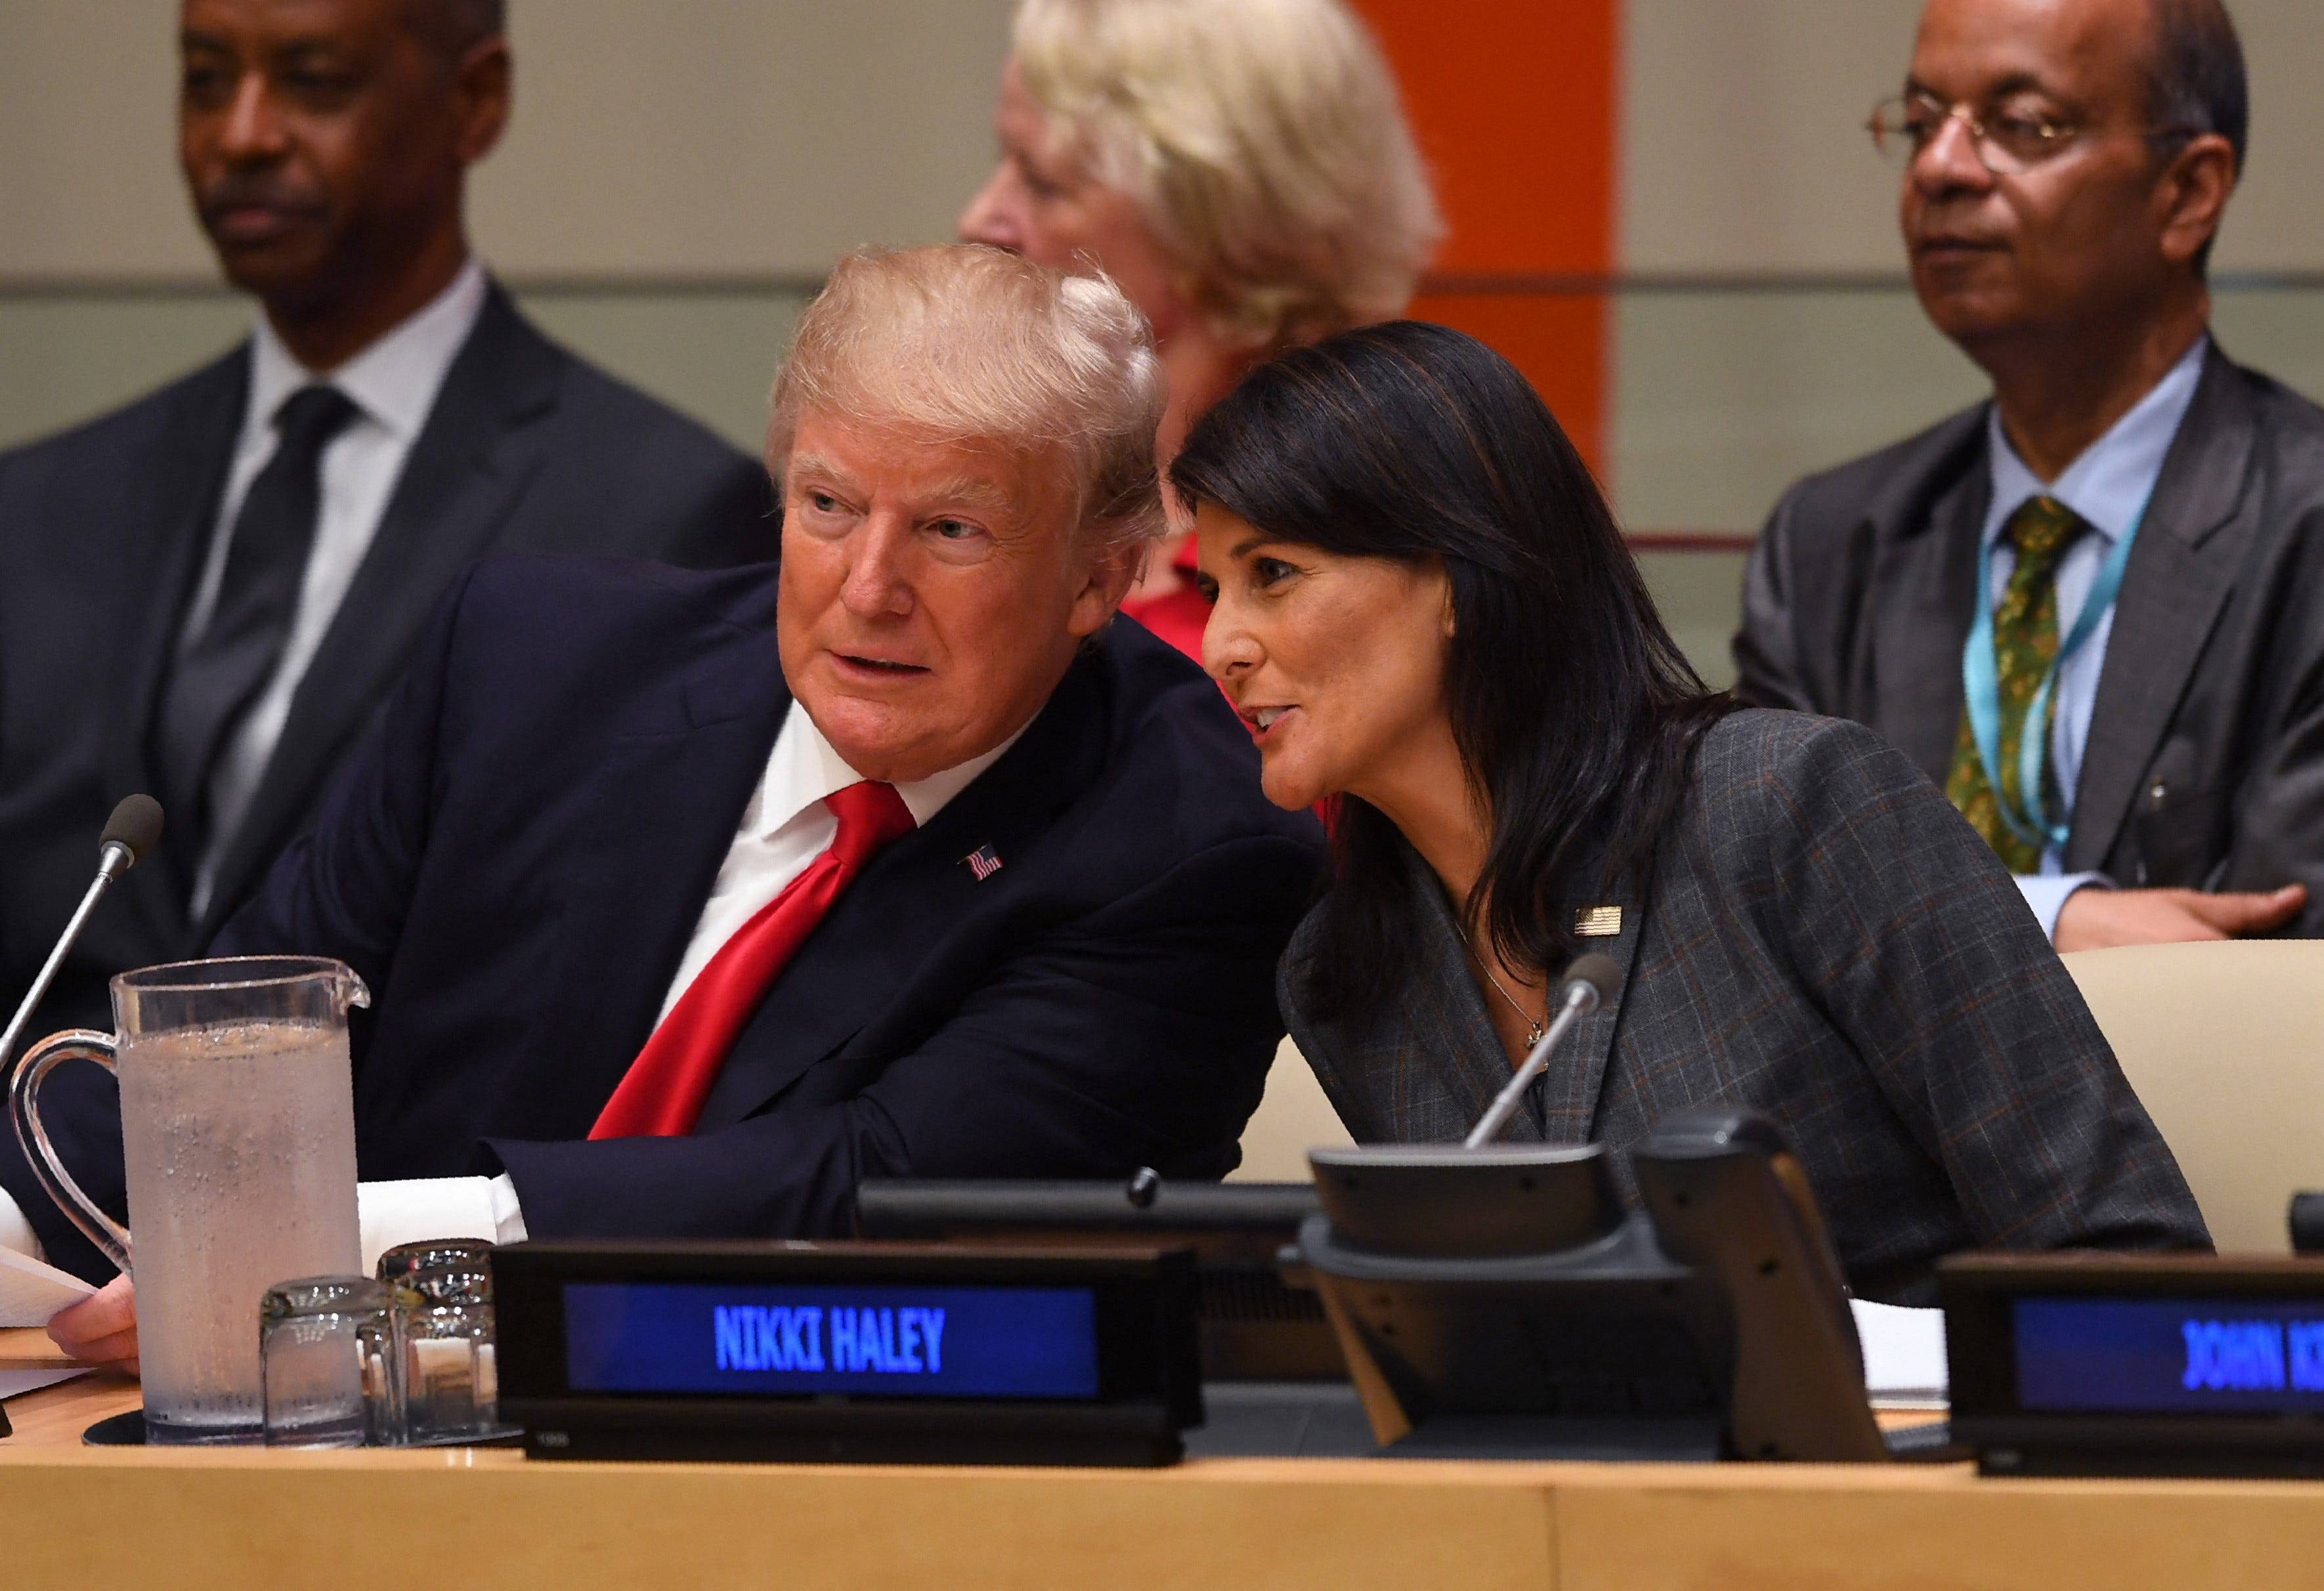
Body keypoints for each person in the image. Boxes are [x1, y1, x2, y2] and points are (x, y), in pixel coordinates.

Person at [41, 245, 1325, 1360]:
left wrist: (326, 1254)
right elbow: (255, 1032)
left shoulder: (1191, 846)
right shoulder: (530, 662)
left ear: (1100, 579)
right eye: (827, 506)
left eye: (951, 531)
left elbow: (869, 1191)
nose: (867, 586)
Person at [1174, 319, 2206, 1305]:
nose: (1223, 643)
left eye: (1273, 574)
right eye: (1212, 585)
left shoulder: (1794, 810)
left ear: (1455, 575)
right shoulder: (1345, 975)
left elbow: (2123, 1257)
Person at [0, 0, 769, 1092]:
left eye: (313, 80)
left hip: (399, 1222)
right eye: (207, 78)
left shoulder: (658, 510)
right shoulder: (41, 504)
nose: (244, 134)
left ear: (475, 101)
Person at [1733, 0, 2324, 951]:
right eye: (1923, 121)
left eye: (2022, 126)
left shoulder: (2305, 529)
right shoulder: (1830, 546)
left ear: (2188, 194)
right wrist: (2057, 920)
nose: (1939, 168)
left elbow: (2279, 962)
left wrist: (1901, 922)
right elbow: (1750, 908)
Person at [958, 0, 1438, 659]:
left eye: (1041, 183)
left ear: (1214, 222)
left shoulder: (1366, 568)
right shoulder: (972, 505)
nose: (980, 220)